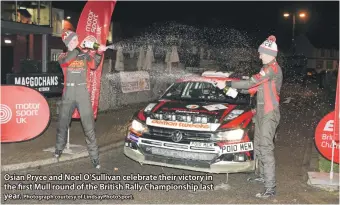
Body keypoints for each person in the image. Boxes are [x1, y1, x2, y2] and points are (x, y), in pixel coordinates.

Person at [220, 35, 282, 198]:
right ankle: (261, 176)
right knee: (259, 145)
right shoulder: (267, 70)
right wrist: (228, 89)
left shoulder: (271, 69)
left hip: (270, 114)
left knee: (266, 149)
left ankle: (270, 188)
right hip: (262, 113)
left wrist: (229, 83)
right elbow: (250, 89)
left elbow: (250, 82)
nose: (259, 56)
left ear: (270, 54)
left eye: (261, 53)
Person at [54, 30, 107, 169]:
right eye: (73, 40)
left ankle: (95, 158)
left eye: (76, 39)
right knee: (62, 124)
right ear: (67, 43)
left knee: (89, 127)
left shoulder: (84, 56)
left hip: (82, 92)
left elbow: (94, 65)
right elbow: (66, 62)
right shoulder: (62, 56)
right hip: (69, 93)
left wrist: (99, 53)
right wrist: (78, 49)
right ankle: (58, 150)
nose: (76, 41)